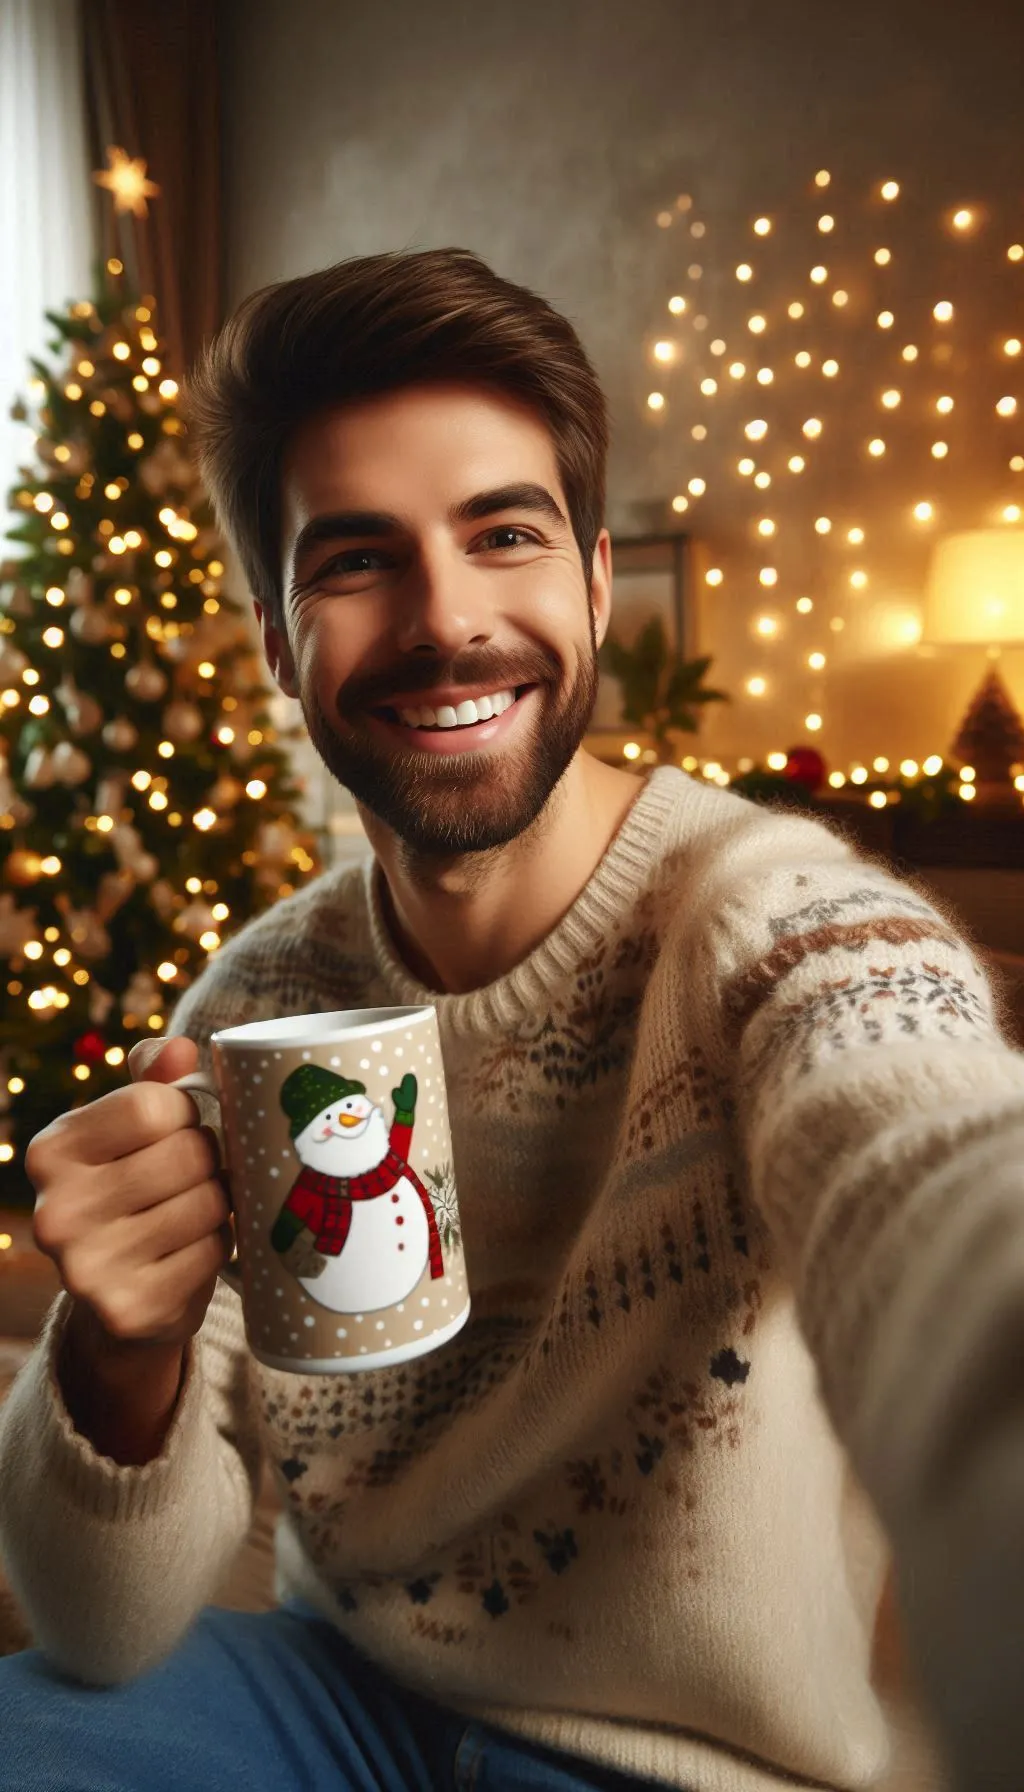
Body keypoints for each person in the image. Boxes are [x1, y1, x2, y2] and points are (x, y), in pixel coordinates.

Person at [0, 247, 1022, 1792]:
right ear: (280, 642)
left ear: (594, 581)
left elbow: (930, 1176)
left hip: (676, 1760)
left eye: (504, 533)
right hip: (325, 1696)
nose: (445, 618)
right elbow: (102, 1627)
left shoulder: (791, 926)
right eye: (355, 560)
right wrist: (114, 1355)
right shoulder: (261, 1002)